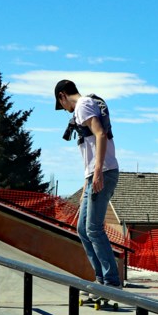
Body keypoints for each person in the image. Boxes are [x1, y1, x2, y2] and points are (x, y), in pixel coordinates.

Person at [54, 79, 122, 296]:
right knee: (83, 229)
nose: (65, 110)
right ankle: (101, 279)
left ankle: (111, 283)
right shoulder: (85, 106)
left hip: (102, 172)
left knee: (94, 228)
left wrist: (99, 170)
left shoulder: (82, 105)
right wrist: (86, 183)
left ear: (63, 95)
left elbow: (100, 134)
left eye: (61, 105)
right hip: (92, 175)